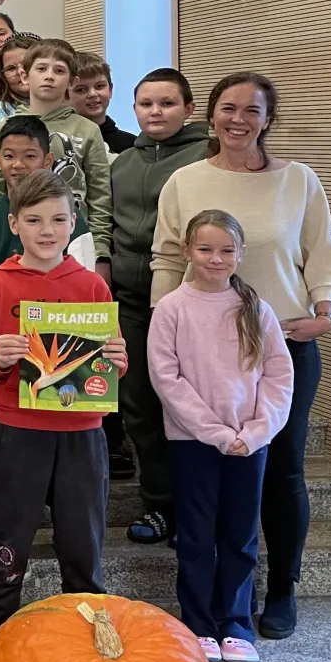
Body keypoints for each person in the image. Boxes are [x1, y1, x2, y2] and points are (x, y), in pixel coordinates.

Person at [151, 72, 331, 640]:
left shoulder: (299, 181)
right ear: (208, 115)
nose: (239, 119)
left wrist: (324, 312)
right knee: (209, 480)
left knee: (280, 470)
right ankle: (222, 599)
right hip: (203, 355)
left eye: (252, 111)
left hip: (281, 344)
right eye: (227, 108)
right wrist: (168, 325)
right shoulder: (184, 180)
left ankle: (281, 588)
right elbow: (165, 258)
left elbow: (322, 253)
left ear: (268, 119)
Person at [0, 170, 127, 662]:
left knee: (83, 554)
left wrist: (116, 363)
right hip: (18, 433)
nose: (47, 230)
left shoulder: (92, 286)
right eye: (33, 220)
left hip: (82, 435)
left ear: (73, 222)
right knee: (6, 550)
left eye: (58, 219)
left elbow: (109, 358)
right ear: (14, 224)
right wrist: (0, 358)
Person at [150, 209, 293, 662]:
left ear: (241, 254)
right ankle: (198, 624)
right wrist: (212, 431)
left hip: (247, 445)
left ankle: (235, 622)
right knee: (196, 534)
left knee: (239, 534)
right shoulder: (173, 308)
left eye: (227, 250)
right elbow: (166, 378)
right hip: (194, 442)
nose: (216, 258)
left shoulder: (257, 309)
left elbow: (278, 377)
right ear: (187, 251)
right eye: (206, 249)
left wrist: (254, 433)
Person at [110, 68, 210, 545]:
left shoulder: (206, 157)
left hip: (187, 300)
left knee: (189, 405)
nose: (155, 112)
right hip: (130, 301)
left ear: (189, 110)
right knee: (139, 404)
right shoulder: (121, 163)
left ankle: (196, 508)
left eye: (167, 103)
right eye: (146, 103)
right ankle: (159, 507)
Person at [0, 40, 113, 280]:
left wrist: (100, 253)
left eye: (59, 70)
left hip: (75, 243)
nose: (49, 77)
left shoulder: (88, 130)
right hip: (14, 243)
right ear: (25, 75)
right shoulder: (3, 129)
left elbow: (100, 196)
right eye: (41, 69)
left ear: (72, 82)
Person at [0, 114, 95, 288]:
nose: (18, 164)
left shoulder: (67, 217)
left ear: (47, 161)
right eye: (9, 156)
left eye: (30, 156)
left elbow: (84, 280)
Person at [0, 34, 39, 157]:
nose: (20, 72)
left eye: (26, 65)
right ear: (2, 76)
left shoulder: (65, 107)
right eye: (11, 68)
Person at [70, 52, 136, 155]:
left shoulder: (133, 145)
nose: (92, 94)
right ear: (66, 95)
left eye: (99, 86)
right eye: (81, 89)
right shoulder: (59, 141)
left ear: (110, 90)